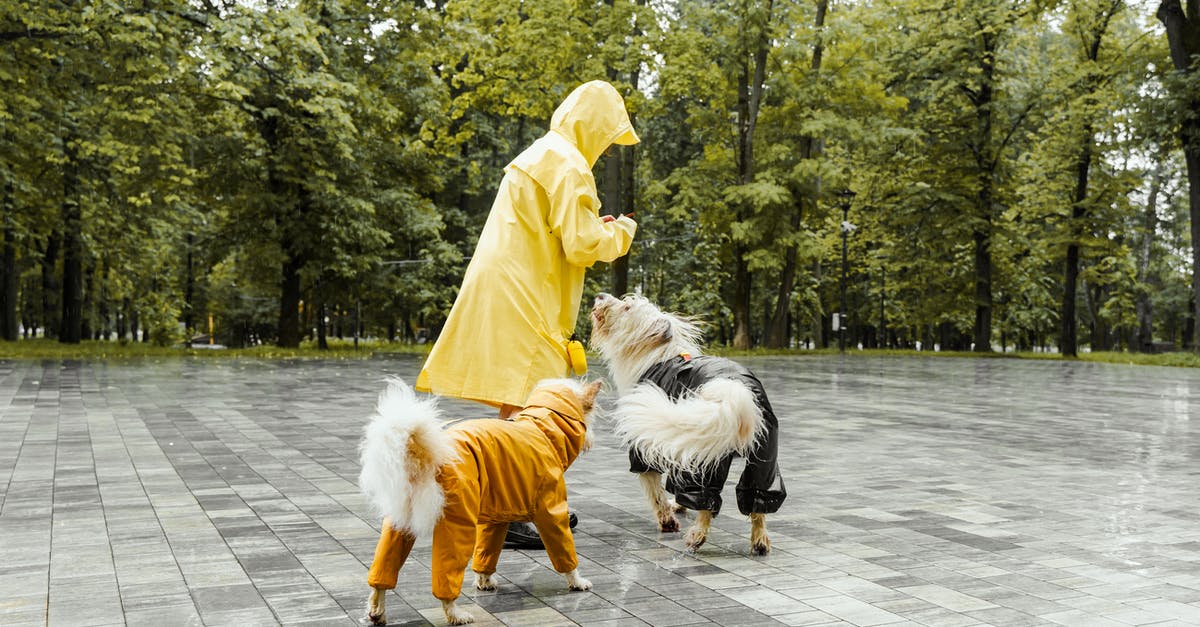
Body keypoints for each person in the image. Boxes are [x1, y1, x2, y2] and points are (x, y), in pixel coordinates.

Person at [365, 80, 639, 611]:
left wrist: (591, 224)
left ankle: (513, 510)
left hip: (502, 284)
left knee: (518, 400)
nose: (604, 148)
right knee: (538, 399)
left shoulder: (540, 153)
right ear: (593, 126)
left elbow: (563, 228)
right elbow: (582, 243)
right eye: (606, 137)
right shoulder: (570, 164)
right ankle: (518, 514)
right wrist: (621, 231)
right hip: (526, 293)